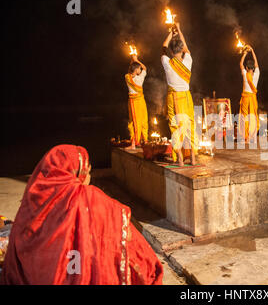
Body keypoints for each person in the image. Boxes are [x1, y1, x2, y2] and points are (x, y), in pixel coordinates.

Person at [0, 145, 163, 285]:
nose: (89, 179)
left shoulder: (32, 204)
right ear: (75, 175)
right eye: (87, 173)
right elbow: (139, 255)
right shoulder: (93, 202)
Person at [161, 23, 197, 166]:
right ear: (181, 49)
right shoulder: (188, 61)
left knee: (175, 127)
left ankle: (181, 159)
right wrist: (179, 30)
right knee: (189, 126)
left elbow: (163, 47)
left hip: (173, 98)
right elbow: (186, 48)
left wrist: (170, 32)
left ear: (171, 51)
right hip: (186, 98)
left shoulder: (167, 62)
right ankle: (193, 158)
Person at [125, 54, 149, 150]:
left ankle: (136, 143)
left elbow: (131, 70)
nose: (141, 70)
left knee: (137, 122)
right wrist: (136, 60)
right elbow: (145, 68)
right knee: (140, 121)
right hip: (140, 101)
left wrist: (133, 60)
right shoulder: (140, 77)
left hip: (135, 102)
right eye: (139, 69)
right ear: (136, 70)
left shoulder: (127, 77)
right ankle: (142, 141)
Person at [238, 45, 260, 144]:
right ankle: (252, 138)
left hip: (246, 98)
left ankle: (245, 138)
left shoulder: (244, 73)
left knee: (244, 117)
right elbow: (257, 64)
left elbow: (240, 64)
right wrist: (253, 51)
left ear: (247, 68)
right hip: (253, 98)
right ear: (253, 69)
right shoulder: (256, 74)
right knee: (253, 117)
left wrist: (245, 54)